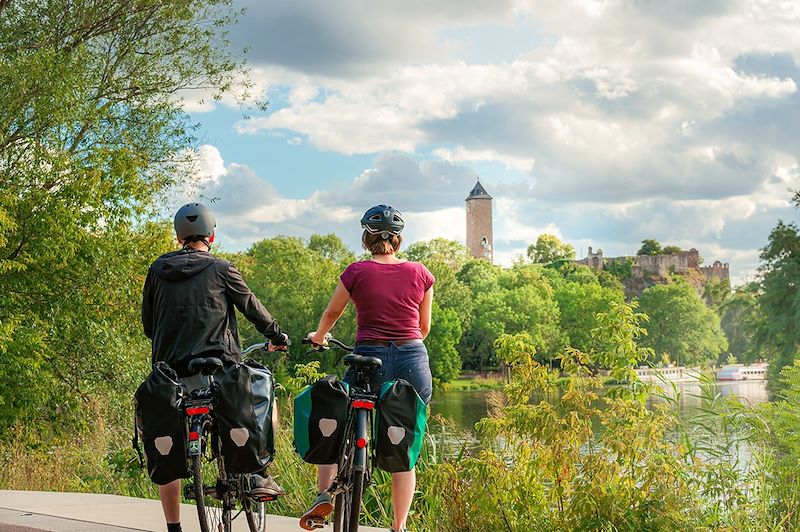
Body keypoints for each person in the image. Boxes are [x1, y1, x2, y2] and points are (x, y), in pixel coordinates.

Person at [142, 202, 289, 532]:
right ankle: (257, 473)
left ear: (178, 236)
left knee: (172, 451)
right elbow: (252, 308)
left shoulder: (156, 270)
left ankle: (174, 526)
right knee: (262, 395)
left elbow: (149, 325)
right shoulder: (222, 268)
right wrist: (277, 335)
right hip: (219, 369)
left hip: (172, 376)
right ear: (212, 235)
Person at [299, 205, 434, 532]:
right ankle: (399, 526)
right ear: (398, 240)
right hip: (412, 360)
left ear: (366, 238)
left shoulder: (356, 271)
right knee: (403, 447)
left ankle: (323, 495)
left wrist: (319, 337)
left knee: (335, 419)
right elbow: (424, 327)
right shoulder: (421, 273)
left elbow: (332, 314)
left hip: (367, 361)